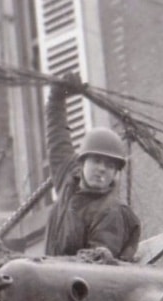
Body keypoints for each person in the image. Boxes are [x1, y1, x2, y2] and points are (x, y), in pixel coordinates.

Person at [43, 76, 142, 261]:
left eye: (110, 165)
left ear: (115, 174)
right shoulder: (68, 178)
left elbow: (95, 270)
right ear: (82, 162)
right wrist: (58, 95)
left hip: (76, 286)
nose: (102, 169)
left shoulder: (111, 212)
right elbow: (57, 134)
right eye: (97, 160)